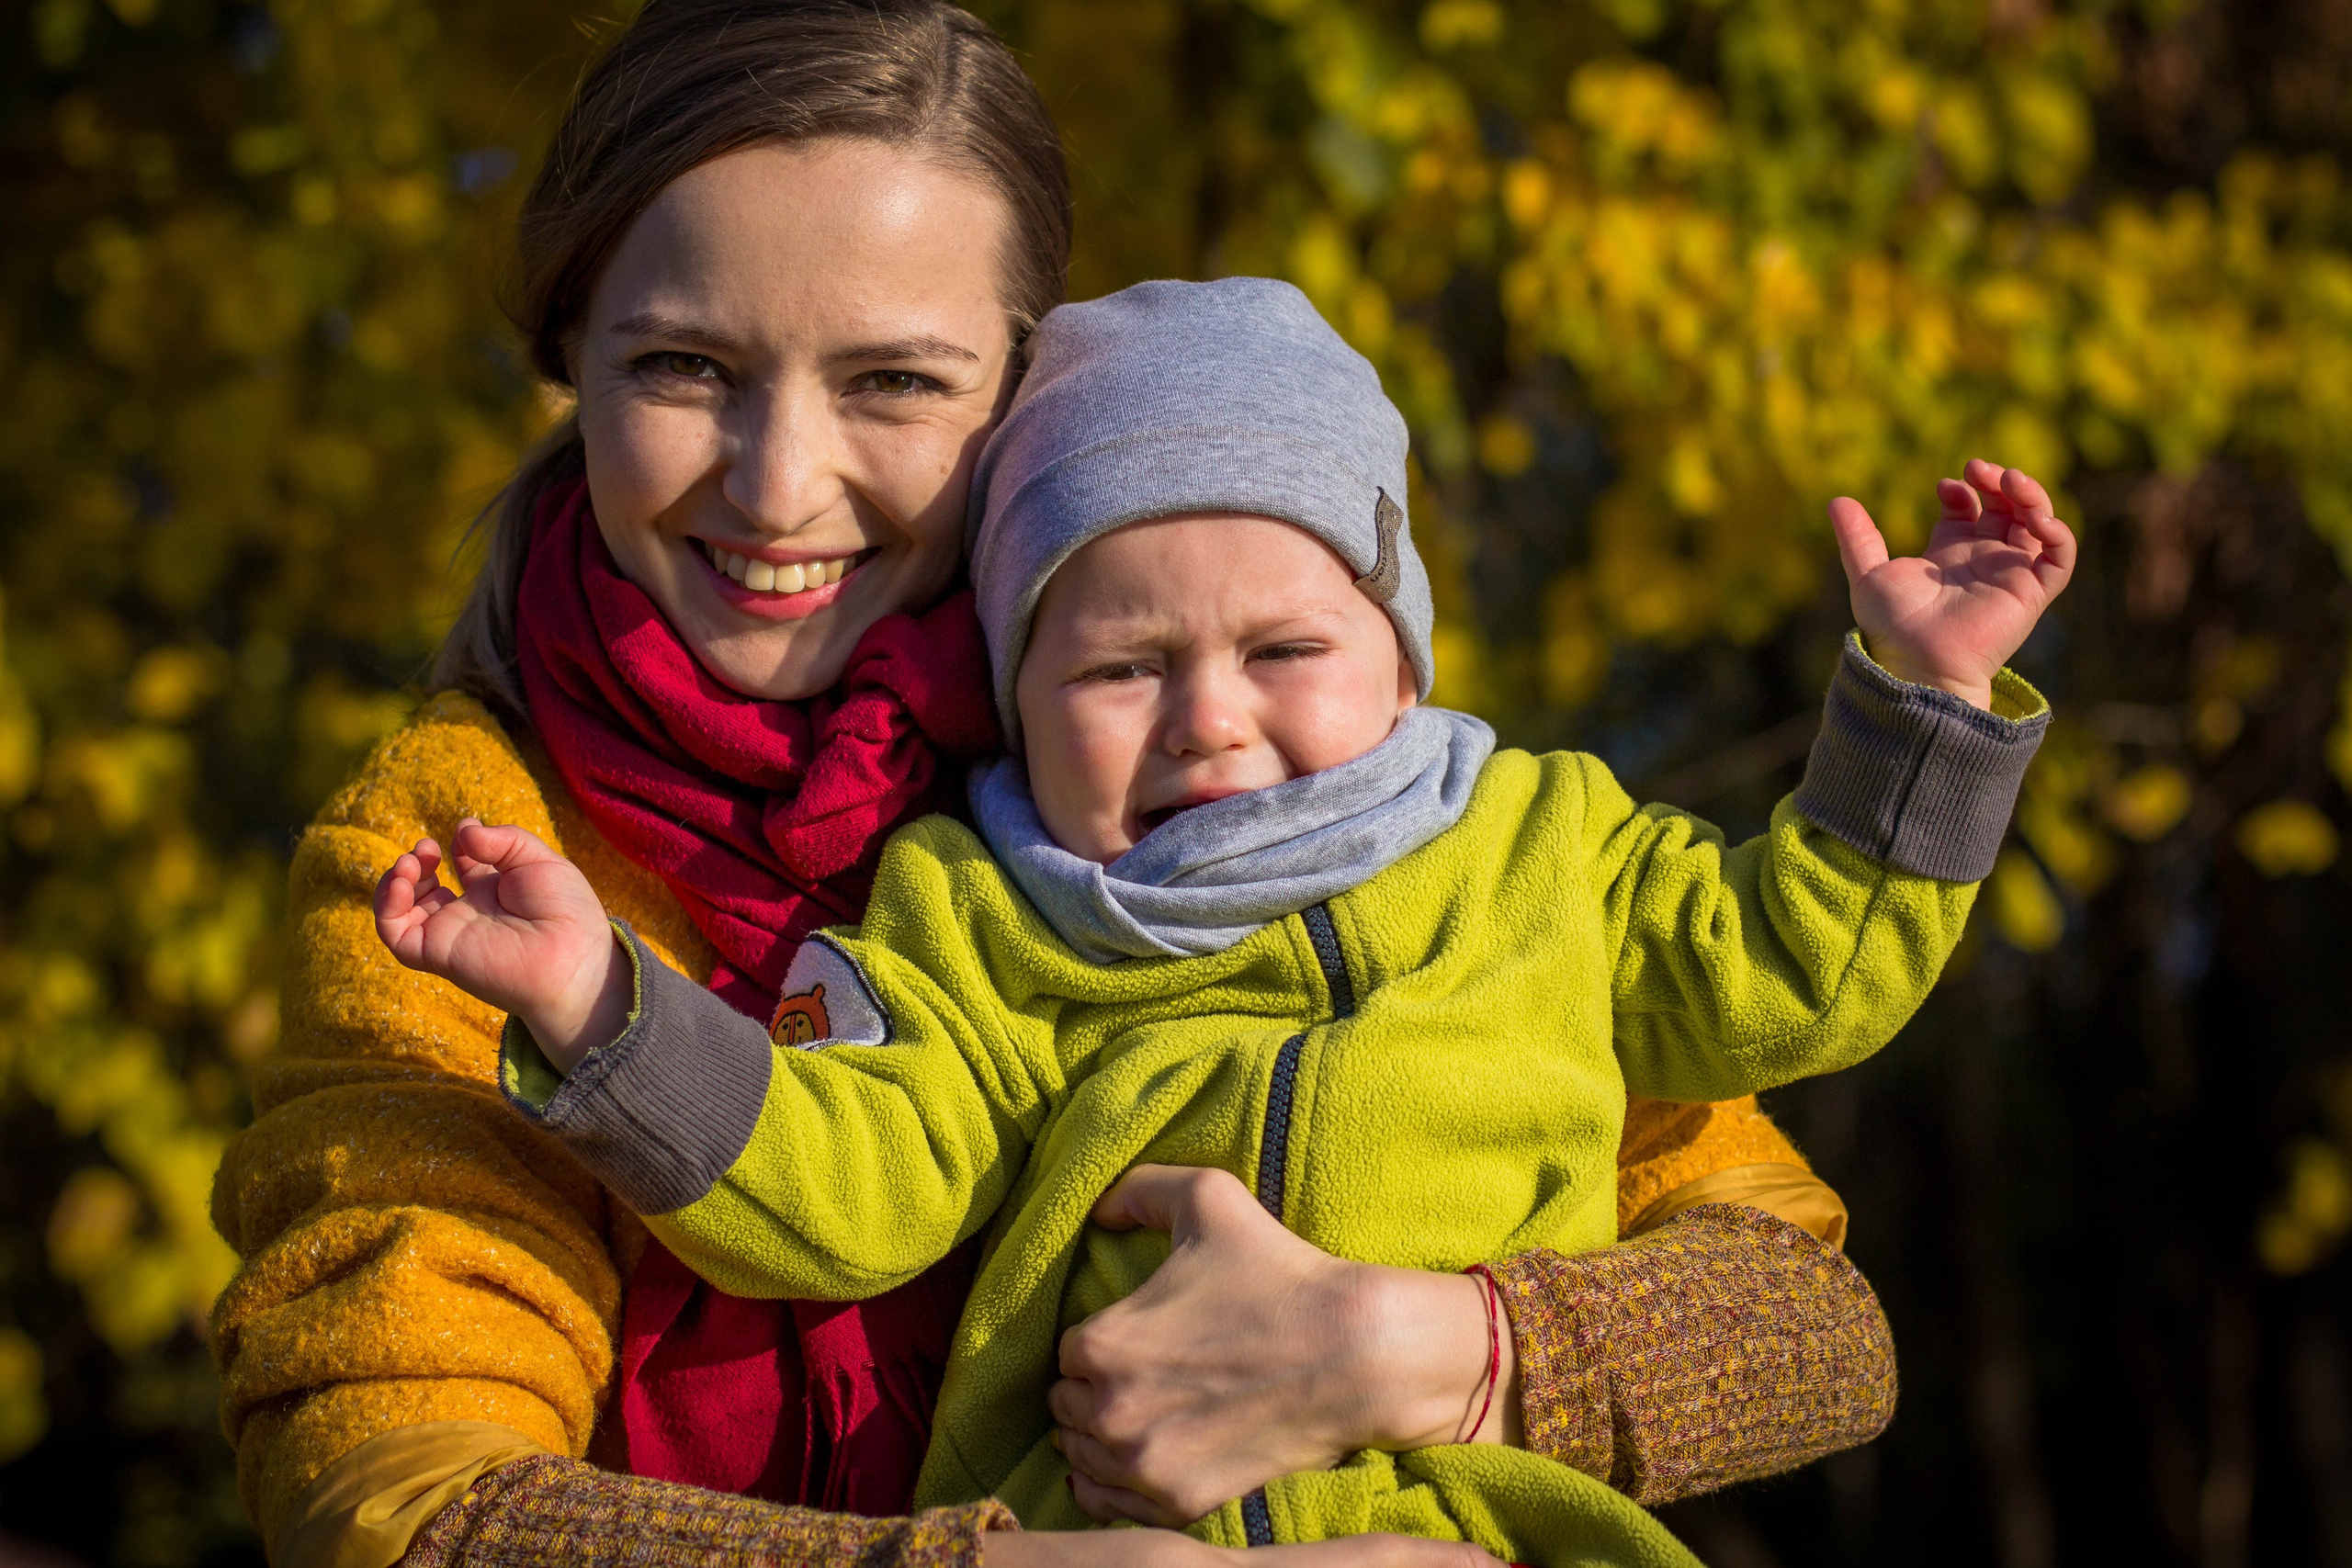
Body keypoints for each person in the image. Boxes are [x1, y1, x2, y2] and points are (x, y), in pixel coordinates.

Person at [208, 6, 1907, 1568]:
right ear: (573, 352)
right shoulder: (467, 856)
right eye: (681, 368)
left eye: (893, 382)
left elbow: (1813, 1336)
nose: (779, 480)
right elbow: (395, 1499)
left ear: (1027, 399)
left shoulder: (1258, 801)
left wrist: (1431, 1351)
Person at [370, 278, 2070, 1563]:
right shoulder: (988, 913)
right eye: (1118, 665)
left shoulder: (1545, 846)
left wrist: (1921, 705)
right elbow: (857, 1181)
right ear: (1016, 699)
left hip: (1482, 1520)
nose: (1207, 719)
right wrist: (604, 1007)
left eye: (1283, 651)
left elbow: (1791, 976)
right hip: (1103, 1527)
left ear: (1401, 657)